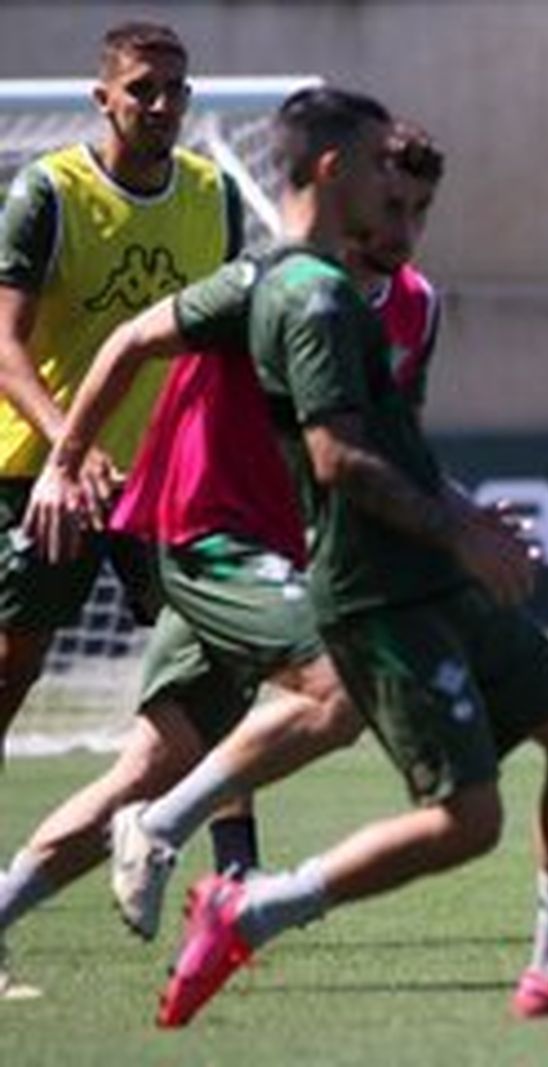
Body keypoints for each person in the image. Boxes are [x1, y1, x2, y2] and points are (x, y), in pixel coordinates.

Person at [44, 85, 548, 1027]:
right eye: (383, 169)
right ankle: (248, 902)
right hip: (374, 587)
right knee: (465, 818)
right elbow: (336, 456)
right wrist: (458, 530)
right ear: (338, 170)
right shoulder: (302, 292)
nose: (396, 193)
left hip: (432, 569)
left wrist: (462, 516)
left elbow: (394, 440)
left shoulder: (383, 297)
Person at [0, 121, 450, 988]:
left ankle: (32, 887)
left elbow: (394, 450)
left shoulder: (415, 307)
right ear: (347, 186)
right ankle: (176, 833)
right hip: (207, 537)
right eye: (389, 202)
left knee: (146, 767)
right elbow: (128, 342)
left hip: (282, 551)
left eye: (421, 209)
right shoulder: (268, 280)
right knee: (340, 681)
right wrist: (64, 461)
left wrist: (457, 515)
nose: (403, 226)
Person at [0, 20, 250, 993]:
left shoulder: (213, 196)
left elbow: (223, 342)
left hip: (169, 480)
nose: (162, 104)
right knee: (13, 668)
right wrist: (74, 449)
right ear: (102, 96)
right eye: (143, 88)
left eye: (175, 88)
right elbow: (6, 345)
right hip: (44, 476)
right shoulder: (49, 193)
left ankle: (234, 885)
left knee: (228, 663)